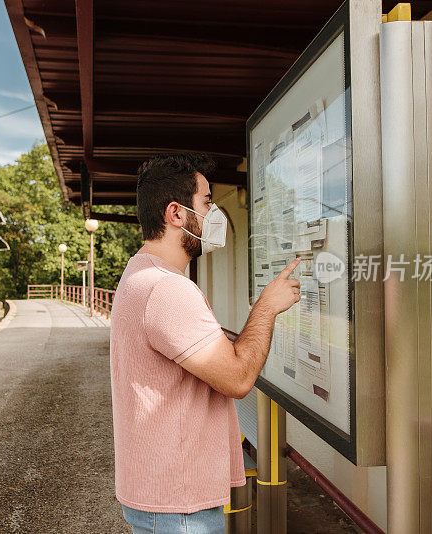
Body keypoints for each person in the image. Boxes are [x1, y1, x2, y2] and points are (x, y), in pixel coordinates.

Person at [109, 153, 301, 534]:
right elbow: (238, 379)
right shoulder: (168, 289)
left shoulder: (140, 275)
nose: (215, 212)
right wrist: (266, 309)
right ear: (176, 214)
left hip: (161, 494)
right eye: (207, 201)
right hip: (180, 504)